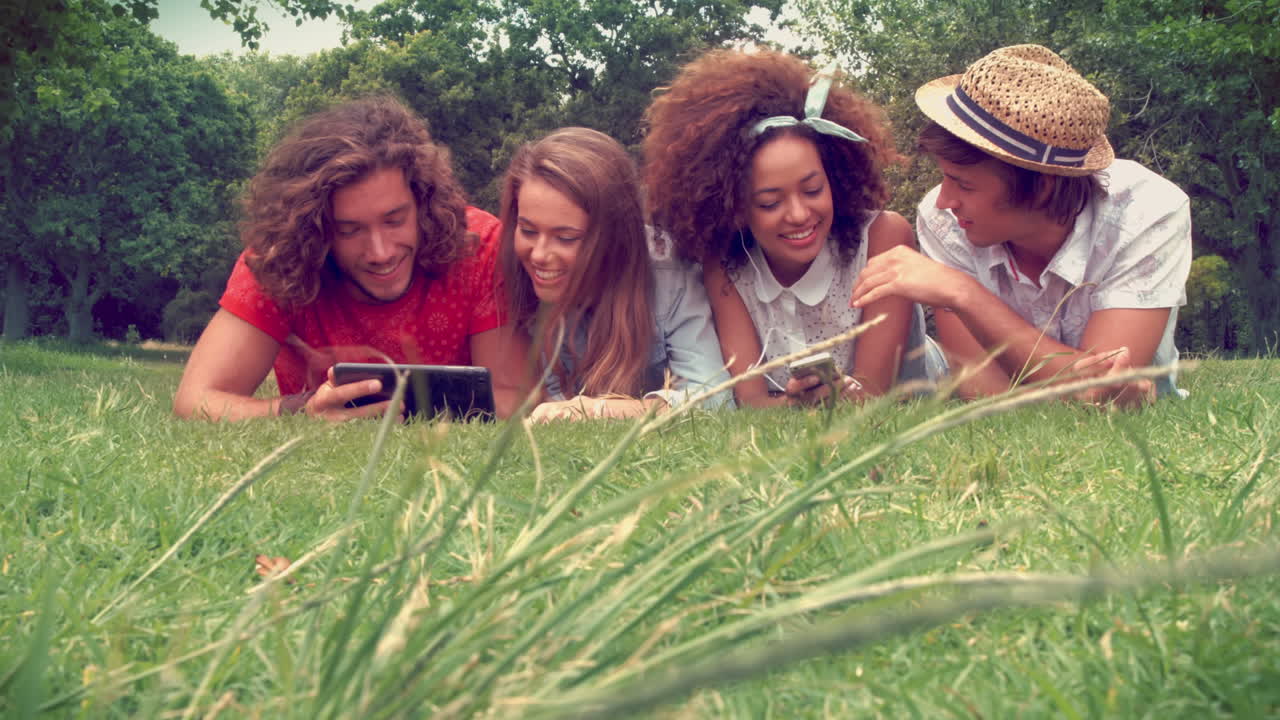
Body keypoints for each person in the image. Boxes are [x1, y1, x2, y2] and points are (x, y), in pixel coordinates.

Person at [850, 45, 1192, 406]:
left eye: (964, 184)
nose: (944, 201)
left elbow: (1104, 392)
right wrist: (1080, 388)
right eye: (945, 178)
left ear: (1043, 187)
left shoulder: (1147, 213)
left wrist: (965, 295)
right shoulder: (945, 222)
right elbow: (985, 395)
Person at [173, 97, 528, 421]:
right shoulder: (278, 260)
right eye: (349, 230)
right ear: (315, 229)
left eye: (395, 220)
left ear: (424, 203)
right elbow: (194, 402)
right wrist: (303, 411)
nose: (381, 252)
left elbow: (517, 397)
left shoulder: (479, 246)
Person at [642, 49, 945, 409]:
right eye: (770, 202)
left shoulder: (883, 237)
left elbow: (872, 395)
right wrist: (792, 404)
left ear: (833, 178)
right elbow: (752, 402)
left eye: (813, 189)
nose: (799, 214)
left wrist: (818, 401)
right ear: (735, 207)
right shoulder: (724, 267)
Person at [498, 127, 732, 422]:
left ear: (615, 237)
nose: (540, 255)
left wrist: (597, 410)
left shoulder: (669, 275)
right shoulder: (525, 280)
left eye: (566, 238)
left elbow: (715, 399)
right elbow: (555, 398)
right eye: (528, 230)